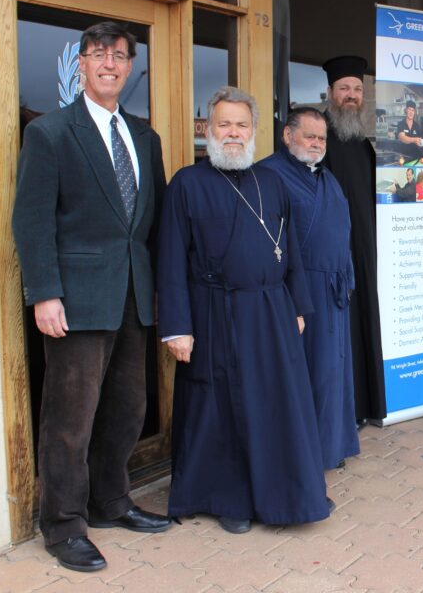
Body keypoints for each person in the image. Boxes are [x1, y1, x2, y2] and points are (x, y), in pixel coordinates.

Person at [12, 21, 170, 572]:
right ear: (81, 63)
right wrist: (44, 293)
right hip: (76, 299)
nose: (110, 63)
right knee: (70, 419)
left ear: (130, 68)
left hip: (134, 295)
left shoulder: (145, 138)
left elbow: (152, 226)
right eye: (99, 54)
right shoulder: (52, 133)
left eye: (121, 55)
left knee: (128, 409)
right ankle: (62, 524)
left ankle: (110, 501)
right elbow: (31, 220)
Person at [157, 87, 331, 533]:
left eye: (241, 125)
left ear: (254, 132)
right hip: (216, 313)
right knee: (225, 408)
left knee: (278, 404)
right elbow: (171, 259)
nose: (232, 133)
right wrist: (177, 326)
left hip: (272, 311)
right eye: (223, 125)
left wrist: (298, 305)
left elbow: (289, 248)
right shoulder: (186, 184)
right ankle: (229, 500)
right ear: (209, 130)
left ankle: (290, 491)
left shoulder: (270, 181)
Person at [261, 107, 361, 470]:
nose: (317, 144)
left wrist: (347, 275)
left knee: (333, 373)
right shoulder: (269, 175)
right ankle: (304, 454)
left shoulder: (326, 178)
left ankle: (331, 447)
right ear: (288, 136)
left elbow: (343, 231)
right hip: (300, 290)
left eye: (322, 138)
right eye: (310, 136)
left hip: (333, 290)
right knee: (306, 375)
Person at [321, 55, 387, 426]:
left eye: (357, 89)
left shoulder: (362, 142)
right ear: (330, 93)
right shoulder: (319, 136)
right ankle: (347, 409)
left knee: (366, 323)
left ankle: (366, 406)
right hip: (333, 254)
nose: (351, 95)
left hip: (365, 250)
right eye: (344, 88)